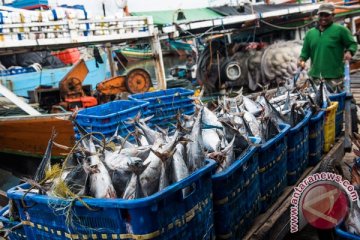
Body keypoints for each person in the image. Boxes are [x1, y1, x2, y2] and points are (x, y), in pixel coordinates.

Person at [298, 3, 357, 91]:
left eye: (327, 15)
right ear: (318, 15)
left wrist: (349, 52)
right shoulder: (310, 33)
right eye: (321, 15)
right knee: (317, 104)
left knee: (337, 102)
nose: (323, 18)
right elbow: (305, 53)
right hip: (315, 78)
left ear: (333, 15)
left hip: (335, 78)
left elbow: (352, 44)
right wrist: (301, 60)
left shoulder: (341, 30)